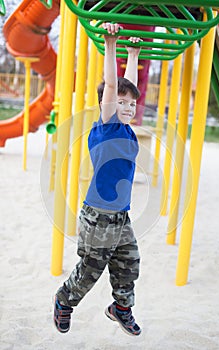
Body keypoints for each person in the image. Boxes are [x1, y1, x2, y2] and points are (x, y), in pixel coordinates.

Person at [54, 23, 142, 336]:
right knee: (91, 268)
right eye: (122, 103)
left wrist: (134, 53)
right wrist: (111, 43)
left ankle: (121, 307)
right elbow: (112, 88)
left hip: (120, 215)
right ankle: (65, 300)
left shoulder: (126, 127)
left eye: (132, 103)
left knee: (129, 261)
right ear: (106, 103)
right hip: (99, 216)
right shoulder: (107, 125)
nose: (129, 107)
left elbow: (124, 87)